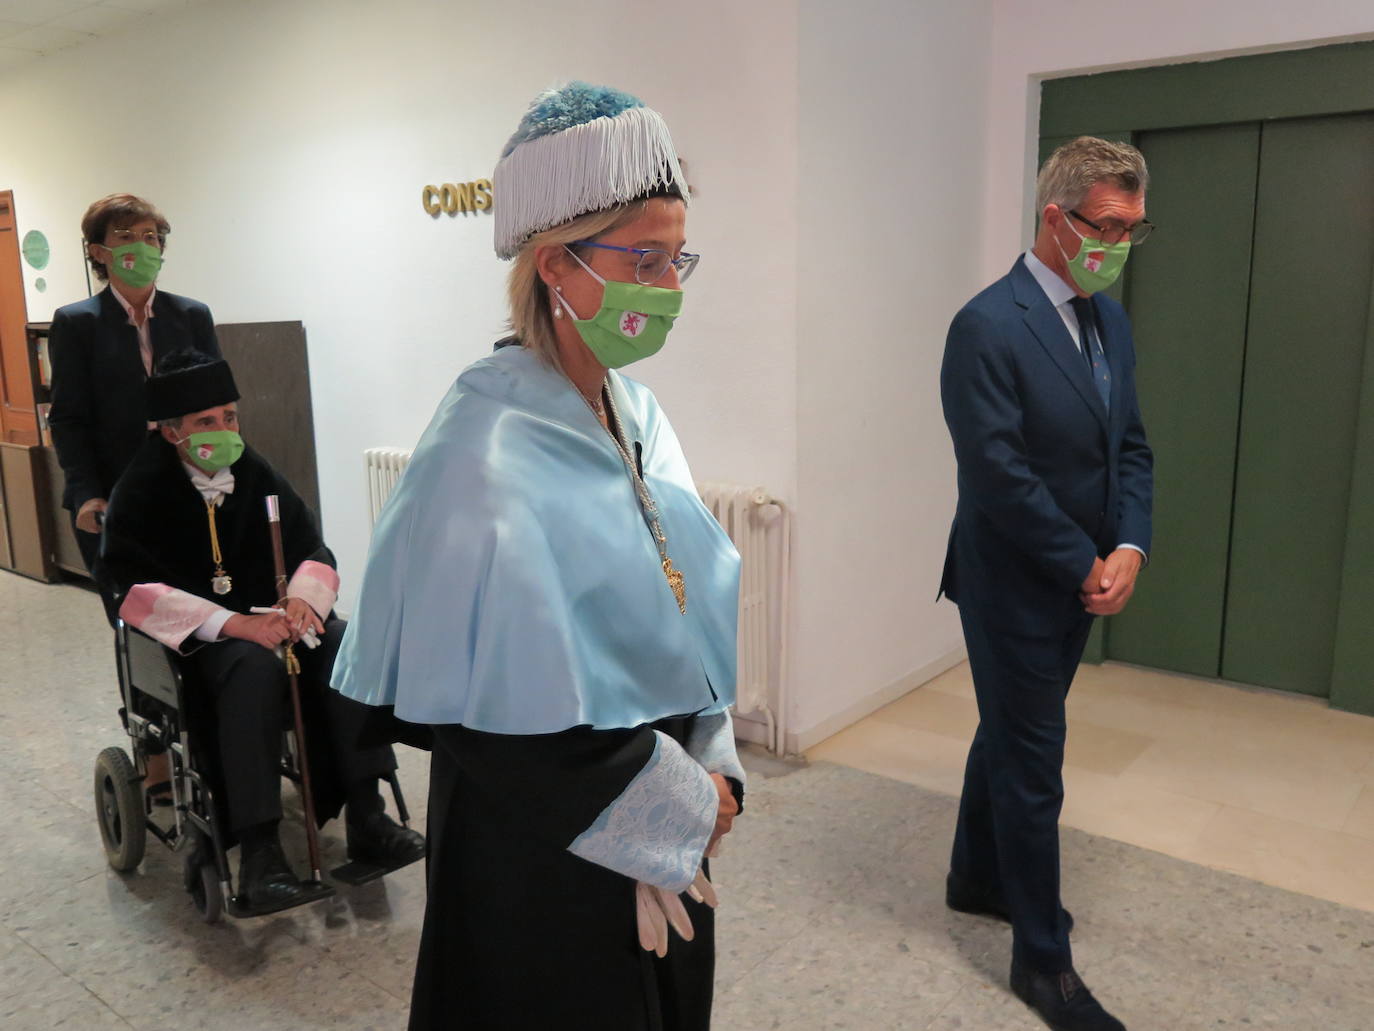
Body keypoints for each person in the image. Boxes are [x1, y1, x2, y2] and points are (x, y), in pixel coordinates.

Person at [332, 83, 744, 1030]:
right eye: (643, 258)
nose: (670, 286)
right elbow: (488, 722)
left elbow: (686, 616)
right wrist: (686, 801)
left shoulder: (635, 415)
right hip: (545, 856)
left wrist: (716, 768)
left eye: (678, 256)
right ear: (556, 266)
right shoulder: (483, 441)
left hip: (668, 809)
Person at [939, 136, 1155, 1031]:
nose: (1119, 246)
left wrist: (1131, 547)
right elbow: (997, 476)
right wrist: (1082, 561)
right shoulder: (987, 325)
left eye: (1136, 230)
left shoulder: (1109, 320)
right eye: (1107, 226)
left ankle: (975, 877)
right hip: (1015, 583)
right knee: (1034, 762)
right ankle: (1042, 962)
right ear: (1055, 218)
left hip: (1086, 579)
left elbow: (1131, 447)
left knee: (1009, 731)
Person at [101, 351, 425, 913]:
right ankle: (259, 853)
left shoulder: (255, 473)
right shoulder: (139, 491)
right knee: (252, 670)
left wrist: (301, 599)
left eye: (230, 417)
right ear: (172, 431)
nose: (225, 431)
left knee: (345, 646)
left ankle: (369, 817)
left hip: (275, 622)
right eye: (207, 422)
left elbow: (312, 548)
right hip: (199, 643)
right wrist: (235, 625)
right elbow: (131, 590)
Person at [47, 193, 220, 575]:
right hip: (111, 491)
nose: (142, 246)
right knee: (133, 607)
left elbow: (216, 404)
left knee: (198, 602)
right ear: (99, 251)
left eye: (151, 237)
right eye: (125, 236)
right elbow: (67, 419)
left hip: (188, 483)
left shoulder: (192, 316)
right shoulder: (77, 324)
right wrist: (87, 494)